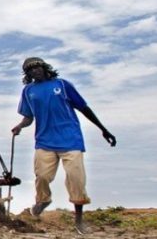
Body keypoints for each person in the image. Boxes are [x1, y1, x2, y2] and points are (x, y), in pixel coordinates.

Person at [11, 57, 117, 234]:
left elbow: (84, 108)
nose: (34, 71)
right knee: (42, 176)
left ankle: (79, 222)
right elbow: (29, 117)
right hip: (45, 140)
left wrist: (103, 129)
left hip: (70, 139)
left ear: (44, 68)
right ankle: (43, 200)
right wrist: (20, 126)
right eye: (29, 70)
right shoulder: (28, 91)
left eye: (37, 67)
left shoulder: (62, 85)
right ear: (27, 74)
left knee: (76, 179)